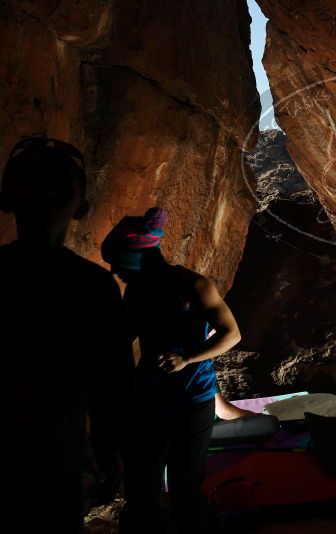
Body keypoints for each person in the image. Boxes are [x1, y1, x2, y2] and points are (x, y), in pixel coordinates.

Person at [0, 137, 134, 534]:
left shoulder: (94, 287)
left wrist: (108, 445)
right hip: (55, 457)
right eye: (31, 181)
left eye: (55, 184)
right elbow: (115, 378)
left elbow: (114, 376)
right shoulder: (91, 286)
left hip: (55, 461)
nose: (43, 193)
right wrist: (109, 446)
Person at [101, 207, 243, 534]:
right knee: (139, 483)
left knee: (184, 487)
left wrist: (187, 358)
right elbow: (125, 335)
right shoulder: (136, 291)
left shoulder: (194, 286)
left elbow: (231, 334)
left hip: (193, 399)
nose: (114, 271)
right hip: (150, 398)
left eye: (117, 263)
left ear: (138, 258)